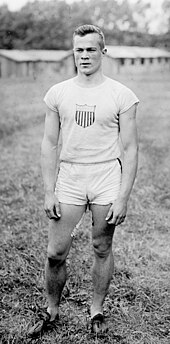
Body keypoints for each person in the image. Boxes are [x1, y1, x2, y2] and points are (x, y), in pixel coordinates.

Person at [28, 24, 139, 337]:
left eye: (91, 49)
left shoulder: (122, 95)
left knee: (102, 246)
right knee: (55, 252)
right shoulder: (58, 92)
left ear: (103, 52)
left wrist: (123, 196)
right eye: (79, 50)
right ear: (73, 53)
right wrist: (49, 191)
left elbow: (131, 149)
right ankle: (51, 309)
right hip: (71, 175)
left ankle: (96, 310)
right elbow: (49, 144)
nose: (85, 55)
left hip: (106, 175)